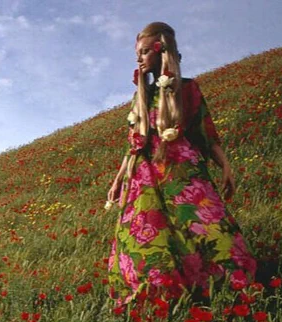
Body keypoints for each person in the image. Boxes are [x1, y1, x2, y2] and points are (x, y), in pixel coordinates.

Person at [105, 22, 257, 306]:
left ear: (163, 52)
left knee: (202, 222)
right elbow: (133, 146)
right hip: (143, 176)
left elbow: (206, 134)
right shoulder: (141, 99)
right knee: (148, 231)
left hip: (182, 169)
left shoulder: (188, 90)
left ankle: (222, 280)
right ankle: (160, 291)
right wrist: (117, 181)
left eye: (146, 51)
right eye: (137, 52)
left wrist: (226, 167)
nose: (139, 58)